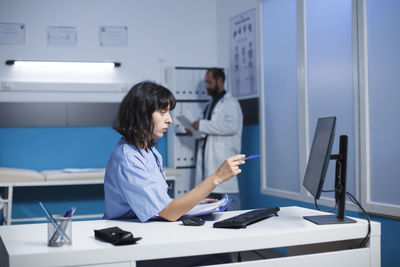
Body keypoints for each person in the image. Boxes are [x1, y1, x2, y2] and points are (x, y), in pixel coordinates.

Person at [103, 81, 245, 265]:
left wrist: (193, 202)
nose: (169, 119)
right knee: (217, 254)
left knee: (216, 250)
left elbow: (157, 202)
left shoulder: (149, 151)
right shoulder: (128, 158)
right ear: (141, 114)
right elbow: (168, 213)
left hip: (149, 234)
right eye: (162, 113)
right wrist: (216, 178)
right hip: (131, 247)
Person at [190, 68, 243, 210]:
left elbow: (232, 126)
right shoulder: (210, 105)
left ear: (220, 81)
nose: (206, 86)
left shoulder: (231, 103)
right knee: (211, 211)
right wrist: (196, 131)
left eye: (209, 82)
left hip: (222, 161)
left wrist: (202, 125)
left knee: (230, 209)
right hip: (209, 165)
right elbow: (208, 130)